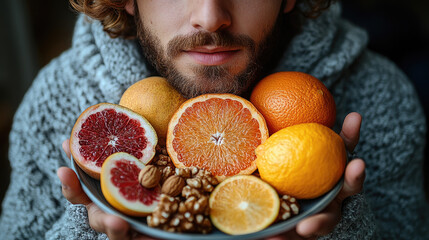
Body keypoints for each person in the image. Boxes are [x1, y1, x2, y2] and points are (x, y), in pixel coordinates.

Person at [1, 0, 428, 239]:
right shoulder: (55, 100)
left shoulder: (380, 95)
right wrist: (90, 229)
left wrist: (342, 227)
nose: (210, 16)